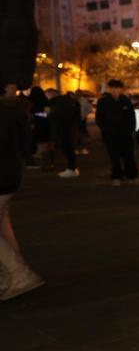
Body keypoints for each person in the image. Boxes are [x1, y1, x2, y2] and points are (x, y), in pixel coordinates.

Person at [0, 83, 43, 300]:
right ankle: (12, 273)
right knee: (3, 222)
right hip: (9, 173)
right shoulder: (11, 112)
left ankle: (19, 274)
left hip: (2, 174)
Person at [95, 79, 139, 185]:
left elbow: (131, 117)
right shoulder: (103, 102)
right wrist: (106, 129)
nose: (115, 90)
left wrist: (131, 129)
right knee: (114, 156)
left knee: (129, 156)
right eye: (113, 88)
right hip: (111, 134)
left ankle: (131, 176)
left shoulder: (125, 100)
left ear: (121, 89)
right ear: (110, 89)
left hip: (126, 134)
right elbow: (99, 118)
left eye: (118, 88)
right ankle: (116, 176)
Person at [47, 88, 81, 178]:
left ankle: (71, 169)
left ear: (51, 94)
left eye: (47, 95)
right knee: (69, 149)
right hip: (69, 128)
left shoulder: (58, 103)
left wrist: (44, 114)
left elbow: (53, 115)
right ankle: (72, 168)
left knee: (67, 148)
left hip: (63, 129)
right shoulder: (67, 102)